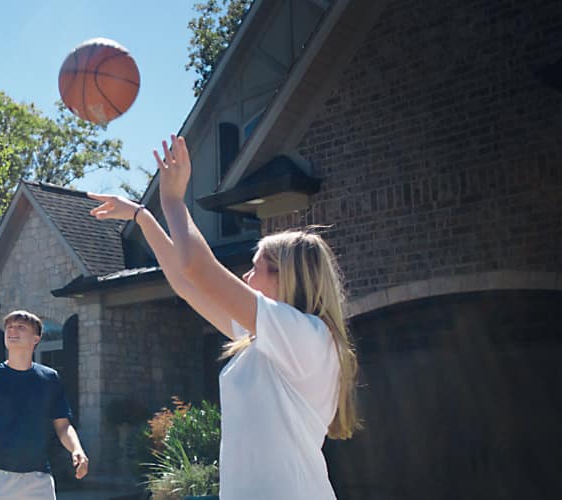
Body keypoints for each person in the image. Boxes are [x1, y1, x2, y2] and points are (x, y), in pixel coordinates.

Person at [87, 135, 359, 499]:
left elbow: (200, 269)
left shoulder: (305, 336)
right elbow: (188, 284)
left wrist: (171, 200)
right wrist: (143, 215)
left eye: (256, 268)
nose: (246, 277)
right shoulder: (264, 340)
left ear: (288, 277)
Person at [0, 310, 90, 500]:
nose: (12, 330)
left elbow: (63, 426)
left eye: (21, 327)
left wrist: (77, 449)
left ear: (36, 338)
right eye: (9, 327)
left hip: (38, 480)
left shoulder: (50, 379)